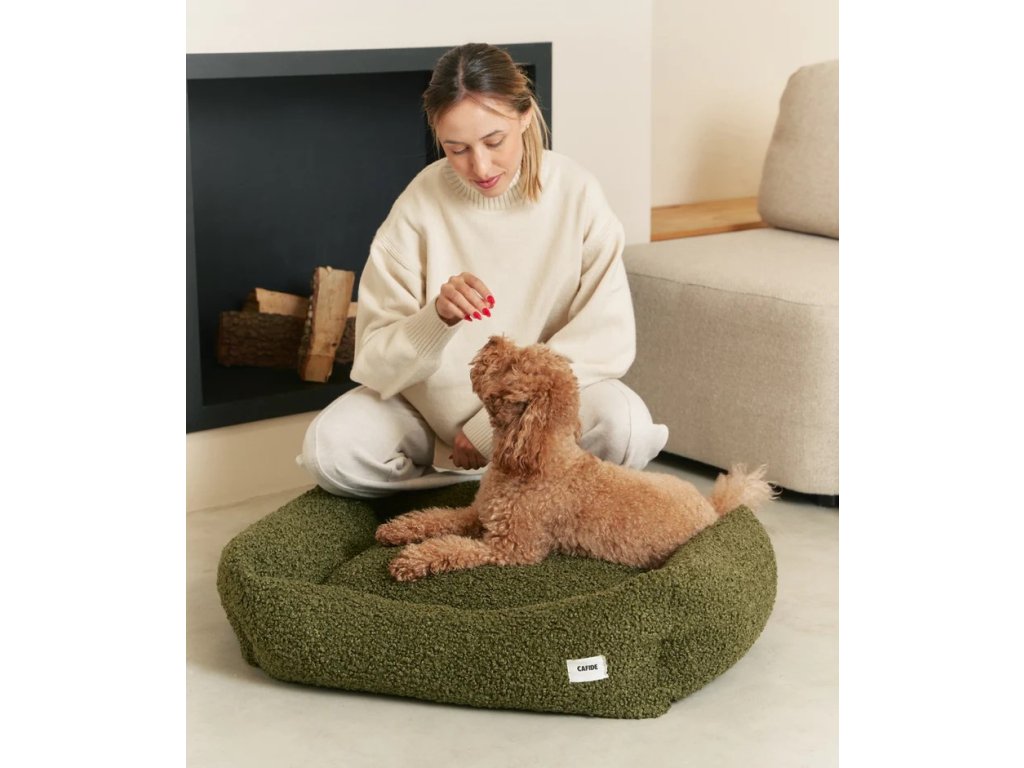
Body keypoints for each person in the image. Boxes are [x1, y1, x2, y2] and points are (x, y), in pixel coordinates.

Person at [297, 42, 668, 498]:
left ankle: (488, 486)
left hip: (536, 418)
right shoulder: (418, 206)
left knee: (626, 429)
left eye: (494, 142)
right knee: (329, 452)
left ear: (525, 116)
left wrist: (494, 426)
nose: (480, 166)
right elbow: (374, 361)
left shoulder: (577, 194)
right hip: (428, 421)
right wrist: (436, 319)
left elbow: (605, 342)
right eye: (457, 150)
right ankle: (470, 490)